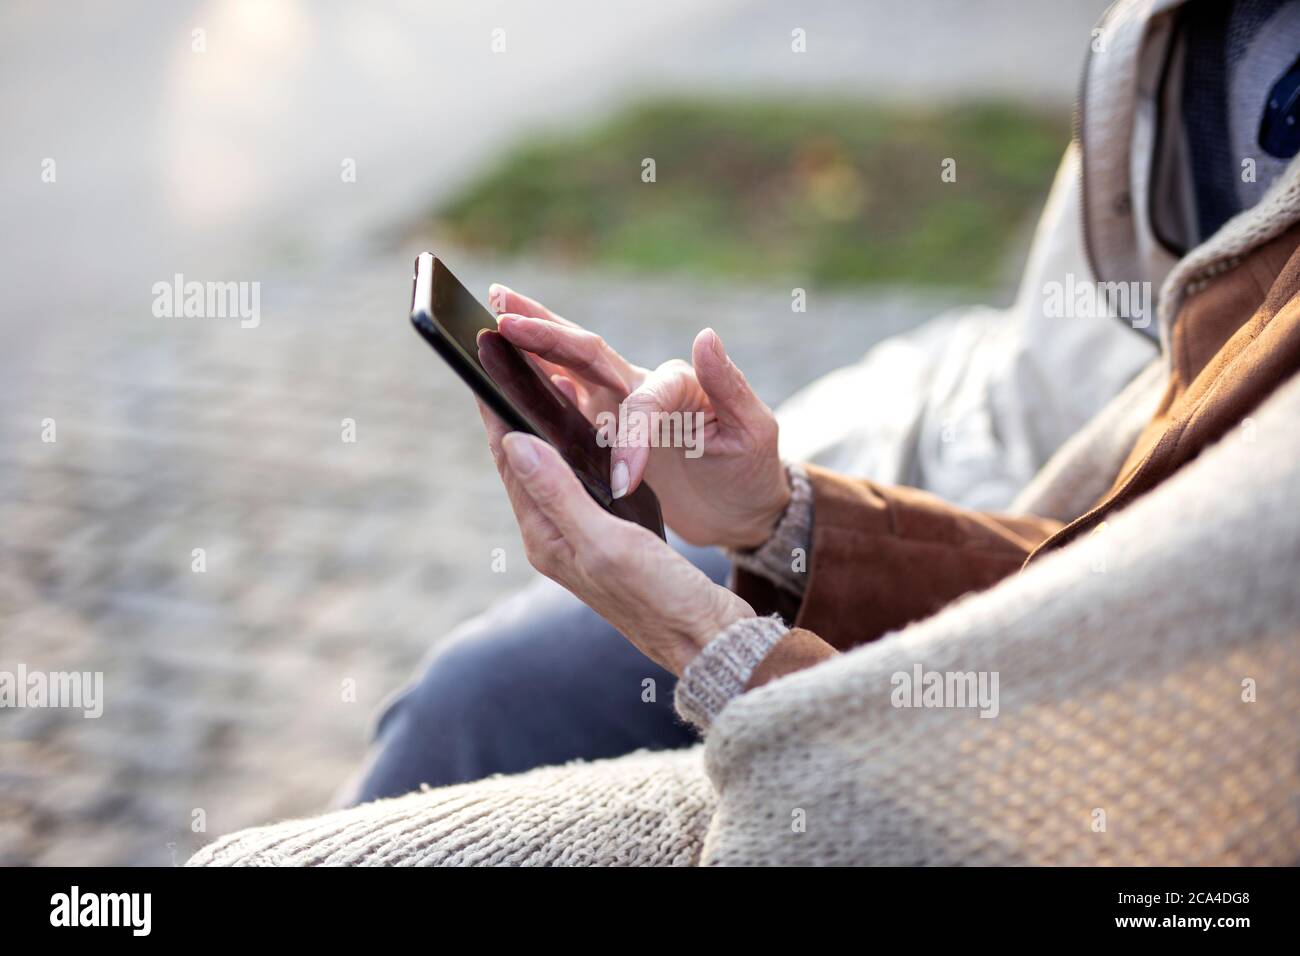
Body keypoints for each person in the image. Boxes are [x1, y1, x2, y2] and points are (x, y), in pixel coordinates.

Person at [198, 0, 1300, 864]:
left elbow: (1109, 754)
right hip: (932, 502)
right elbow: (1058, 426)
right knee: (478, 690)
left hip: (962, 700)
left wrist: (709, 642)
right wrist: (780, 519)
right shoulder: (1182, 28)